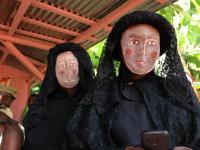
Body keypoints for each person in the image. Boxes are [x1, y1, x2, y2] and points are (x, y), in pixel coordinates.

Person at [66, 11, 200, 150]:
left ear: (159, 49)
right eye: (134, 42)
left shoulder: (178, 91)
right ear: (119, 47)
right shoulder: (99, 95)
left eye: (151, 43)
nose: (142, 51)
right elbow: (78, 142)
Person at [23, 42, 94, 150]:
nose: (67, 70)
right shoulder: (41, 106)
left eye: (72, 64)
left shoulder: (96, 103)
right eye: (61, 65)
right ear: (53, 72)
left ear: (82, 67)